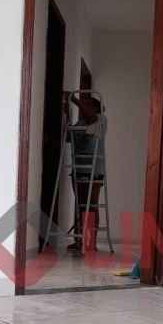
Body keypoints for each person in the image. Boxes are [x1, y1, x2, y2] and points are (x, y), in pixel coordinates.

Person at [68, 92, 106, 253]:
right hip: (78, 169)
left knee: (91, 206)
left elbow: (92, 118)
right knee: (80, 206)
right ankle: (79, 241)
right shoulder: (81, 122)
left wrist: (74, 100)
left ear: (96, 108)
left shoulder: (101, 119)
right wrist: (66, 114)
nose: (83, 108)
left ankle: (91, 243)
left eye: (87, 105)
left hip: (94, 171)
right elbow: (69, 138)